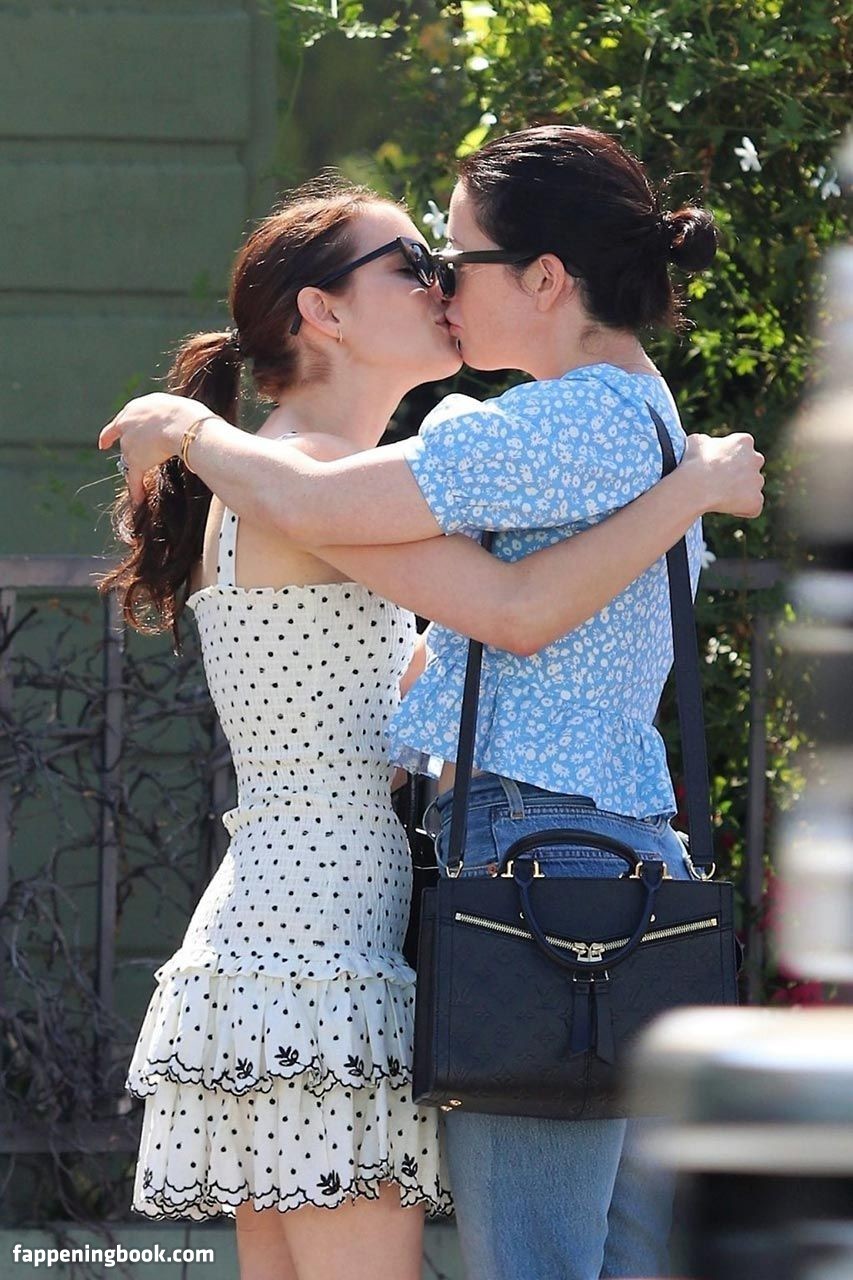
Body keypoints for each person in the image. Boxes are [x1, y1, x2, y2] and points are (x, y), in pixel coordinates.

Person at [101, 129, 765, 1280]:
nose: (440, 282)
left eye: (448, 257)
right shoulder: (322, 474)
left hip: (443, 885)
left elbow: (487, 618)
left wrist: (196, 433)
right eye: (413, 263)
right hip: (341, 925)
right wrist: (688, 487)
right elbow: (486, 605)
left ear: (544, 278)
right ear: (325, 313)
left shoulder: (552, 424)